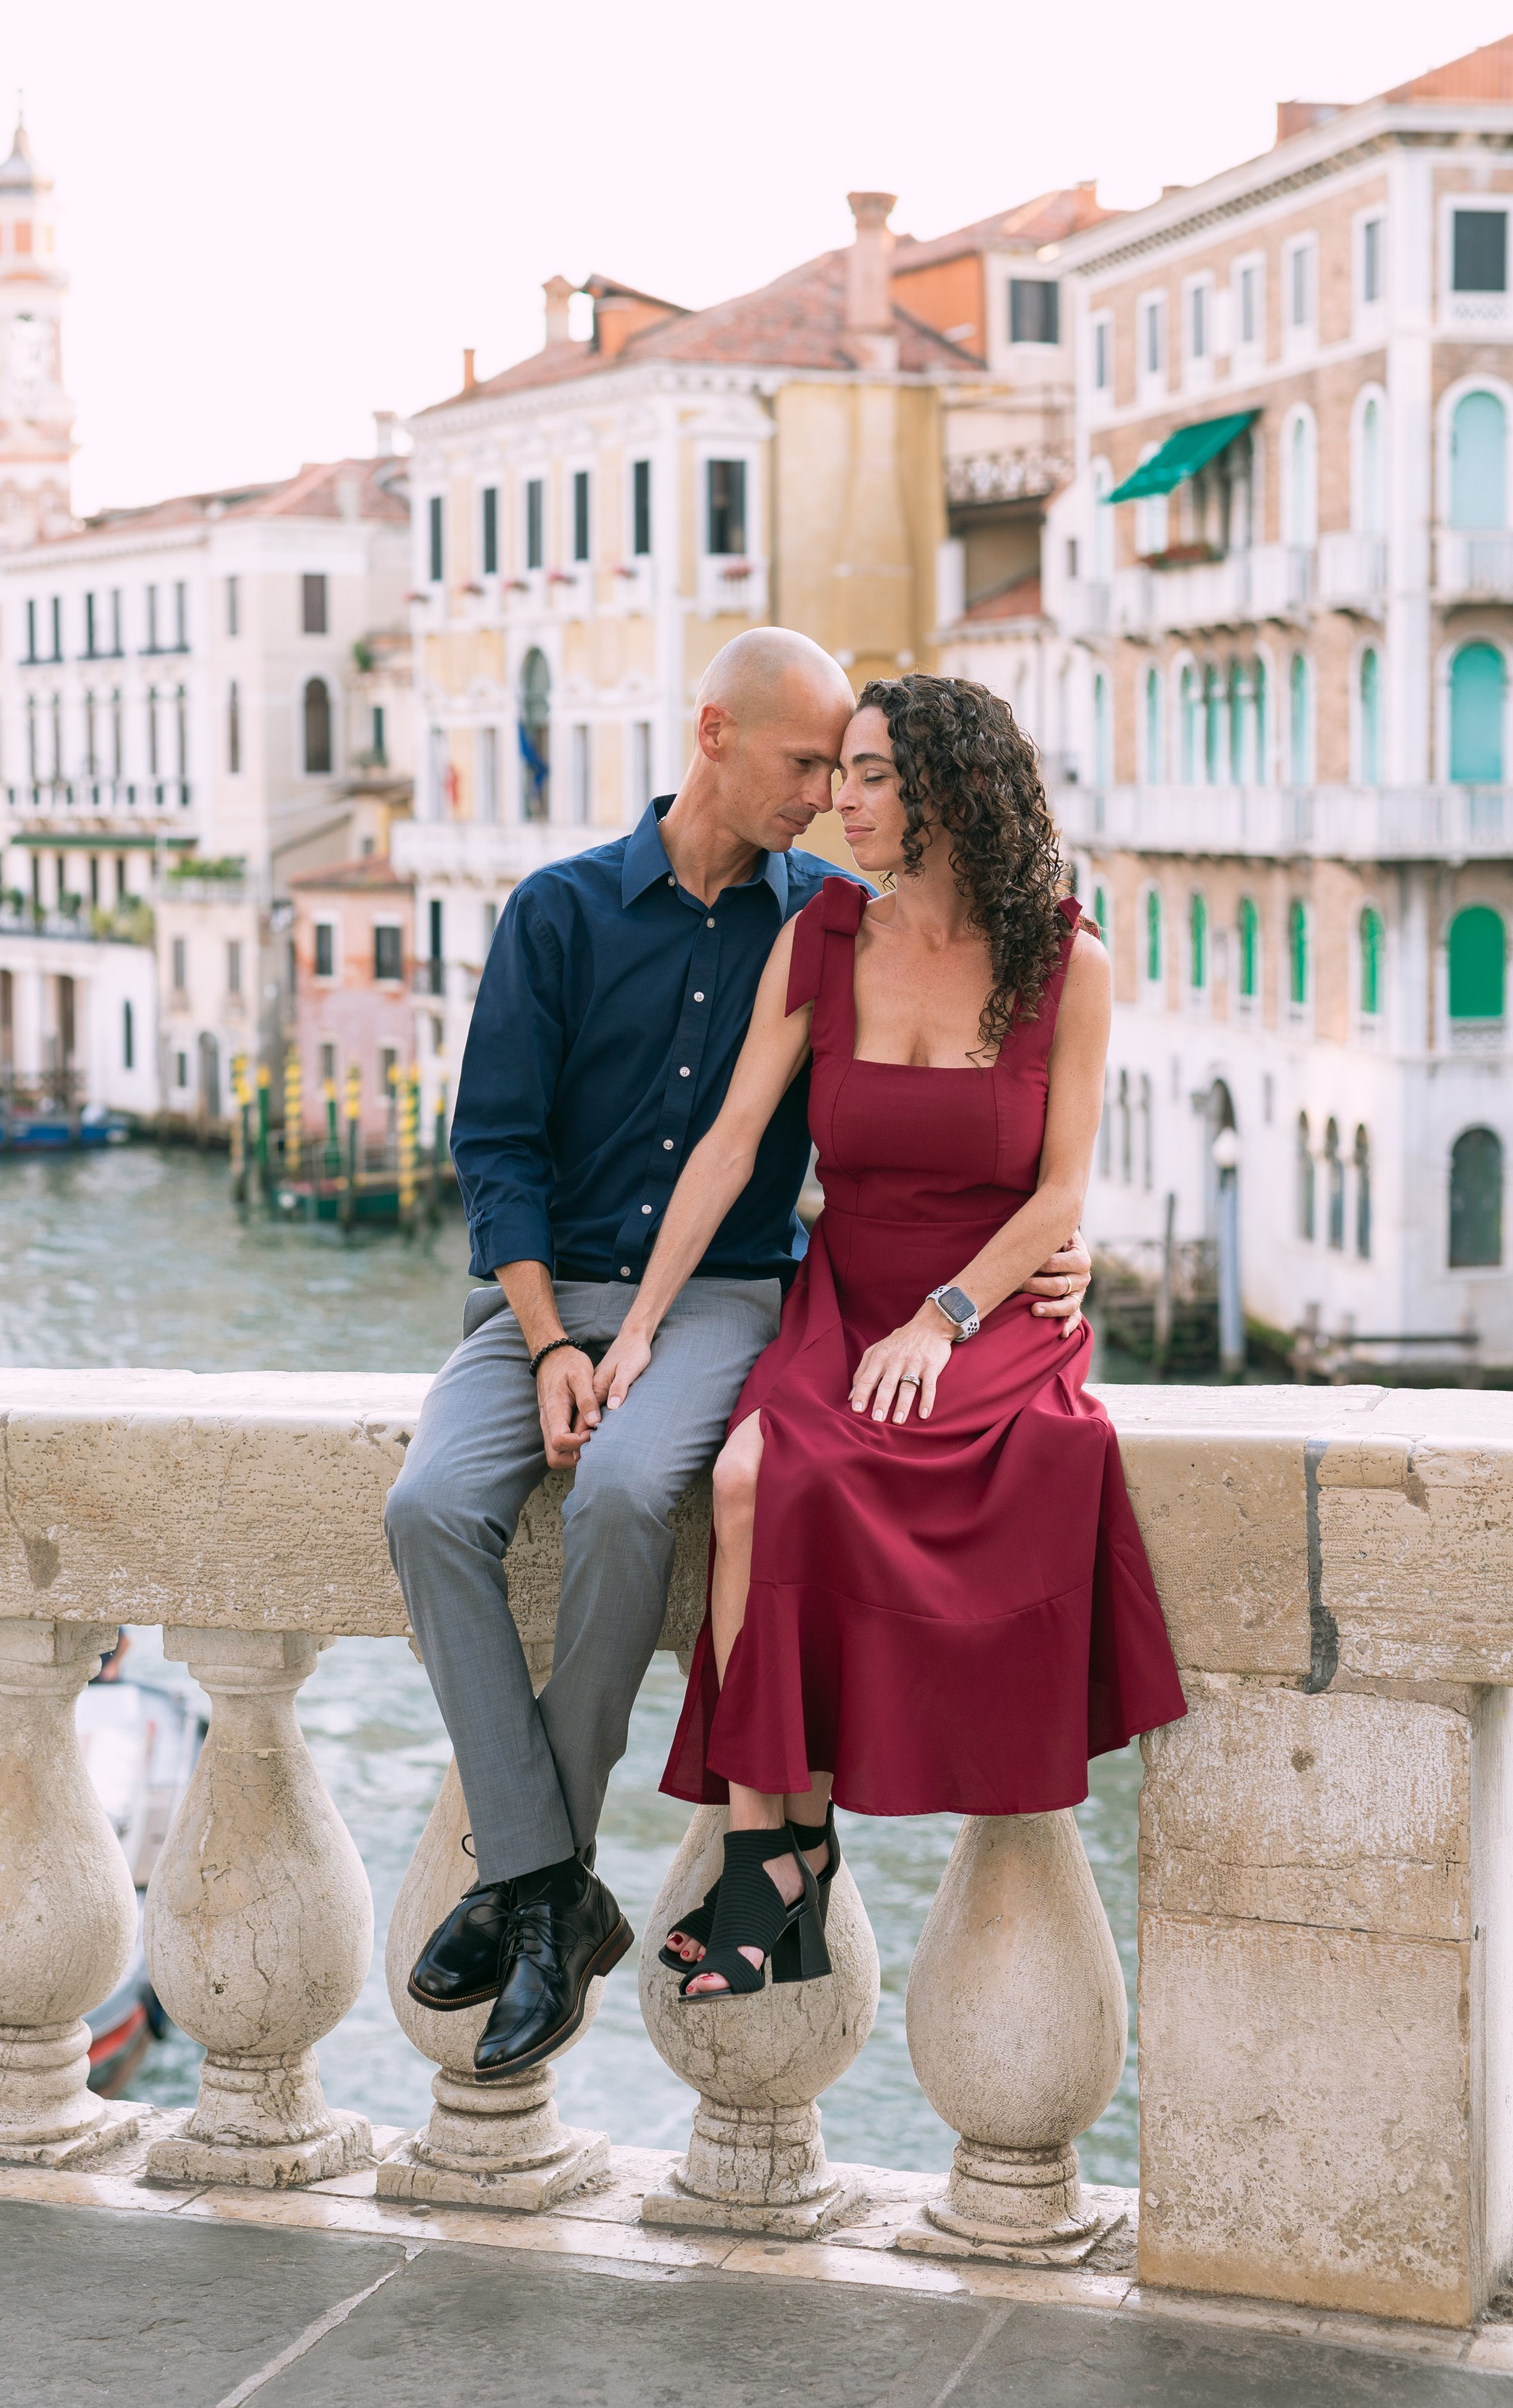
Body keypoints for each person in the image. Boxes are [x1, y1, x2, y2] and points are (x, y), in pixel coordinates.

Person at [384, 637, 1096, 2075]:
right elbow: (497, 1152)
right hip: (544, 1301)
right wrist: (556, 1338)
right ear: (714, 734)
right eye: (812, 764)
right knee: (425, 1509)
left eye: (857, 770)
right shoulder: (562, 911)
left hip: (734, 1296)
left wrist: (1025, 1275)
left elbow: (1005, 1146)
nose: (830, 796)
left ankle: (566, 1877)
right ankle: (546, 1880)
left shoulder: (828, 916)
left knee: (629, 1492)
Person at [592, 671, 1186, 1999]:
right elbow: (730, 1143)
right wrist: (638, 1329)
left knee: (941, 1473)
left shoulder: (1067, 962)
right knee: (749, 1476)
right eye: (838, 774)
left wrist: (946, 1318)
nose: (838, 804)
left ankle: (780, 1872)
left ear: (950, 795)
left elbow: (1061, 1198)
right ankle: (777, 1844)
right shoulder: (822, 939)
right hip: (849, 1291)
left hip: (988, 1303)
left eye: (870, 778)